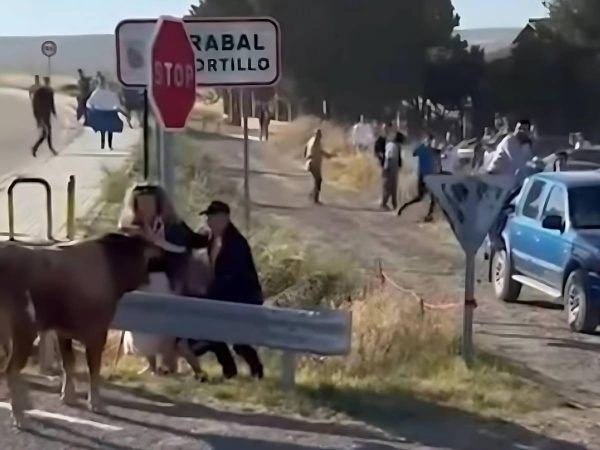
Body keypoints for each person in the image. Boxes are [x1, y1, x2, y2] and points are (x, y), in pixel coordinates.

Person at [119, 184, 210, 377]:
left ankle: (169, 365)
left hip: (165, 282)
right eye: (141, 205)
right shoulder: (131, 226)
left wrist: (155, 241)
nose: (145, 209)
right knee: (141, 327)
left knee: (164, 325)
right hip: (140, 282)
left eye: (149, 204)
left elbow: (183, 247)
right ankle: (151, 365)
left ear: (159, 205)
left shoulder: (171, 225)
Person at [189, 201, 265, 379]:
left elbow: (233, 277)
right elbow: (192, 240)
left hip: (243, 298)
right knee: (214, 334)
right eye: (207, 218)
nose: (208, 222)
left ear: (224, 218)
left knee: (238, 341)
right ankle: (230, 370)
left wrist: (210, 295)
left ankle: (256, 370)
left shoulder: (236, 243)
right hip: (224, 297)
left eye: (211, 218)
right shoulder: (212, 238)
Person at [397, 134, 437, 222]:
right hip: (423, 176)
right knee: (420, 197)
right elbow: (414, 153)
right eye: (429, 140)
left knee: (433, 198)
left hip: (429, 177)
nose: (430, 142)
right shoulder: (423, 149)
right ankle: (403, 208)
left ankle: (429, 215)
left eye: (431, 141)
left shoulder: (431, 150)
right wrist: (422, 146)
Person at [86, 75, 124, 150]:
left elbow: (89, 103)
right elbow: (117, 104)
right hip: (110, 112)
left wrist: (92, 108)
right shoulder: (112, 93)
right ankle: (109, 145)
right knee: (110, 130)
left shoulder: (96, 92)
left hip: (100, 112)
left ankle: (103, 144)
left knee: (102, 129)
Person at [304, 128, 332, 204]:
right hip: (314, 163)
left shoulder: (311, 140)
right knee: (318, 180)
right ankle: (314, 198)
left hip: (310, 162)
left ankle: (313, 195)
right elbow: (320, 151)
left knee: (317, 180)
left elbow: (306, 148)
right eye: (319, 135)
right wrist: (328, 155)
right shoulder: (316, 142)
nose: (320, 136)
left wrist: (306, 157)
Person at [31, 76, 57, 157]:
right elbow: (35, 104)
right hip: (43, 115)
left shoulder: (47, 91)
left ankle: (36, 148)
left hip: (44, 115)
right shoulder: (43, 91)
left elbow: (51, 103)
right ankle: (48, 148)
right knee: (47, 132)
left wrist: (53, 112)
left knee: (46, 132)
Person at [381, 131, 403, 210]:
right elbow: (389, 158)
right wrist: (387, 169)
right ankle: (384, 203)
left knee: (393, 188)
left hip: (393, 169)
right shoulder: (392, 146)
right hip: (390, 169)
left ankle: (394, 205)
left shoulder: (395, 146)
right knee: (388, 187)